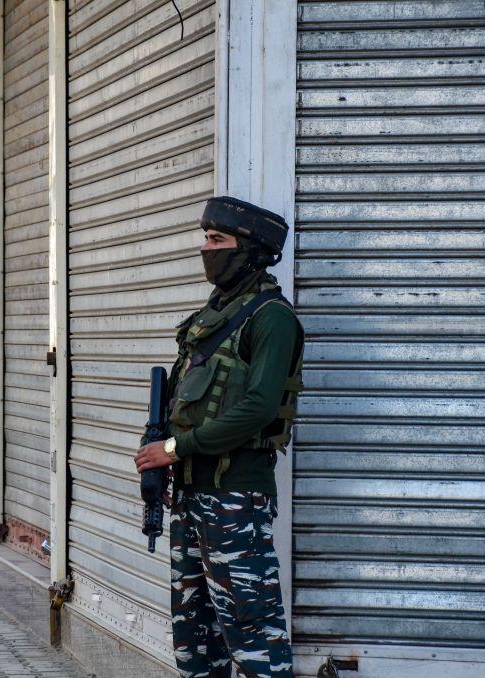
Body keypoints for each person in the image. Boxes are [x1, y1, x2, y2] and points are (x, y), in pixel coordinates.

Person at [134, 196, 303, 678]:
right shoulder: (211, 316)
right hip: (193, 495)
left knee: (253, 632)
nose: (206, 249)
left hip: (235, 500)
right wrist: (167, 457)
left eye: (217, 240)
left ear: (249, 250)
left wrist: (172, 449)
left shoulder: (271, 318)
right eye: (206, 239)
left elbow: (258, 408)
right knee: (194, 635)